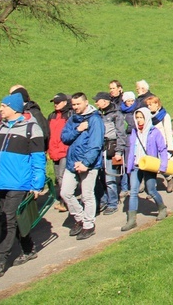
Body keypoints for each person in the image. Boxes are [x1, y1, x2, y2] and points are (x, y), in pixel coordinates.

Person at [0, 94, 46, 279]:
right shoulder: (2, 129)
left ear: (14, 108)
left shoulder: (31, 128)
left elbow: (38, 158)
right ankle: (28, 248)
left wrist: (37, 185)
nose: (0, 109)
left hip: (19, 183)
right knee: (11, 219)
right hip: (0, 182)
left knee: (8, 220)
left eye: (3, 105)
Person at [60, 92, 104, 241]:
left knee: (87, 195)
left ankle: (88, 225)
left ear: (85, 103)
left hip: (89, 165)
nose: (76, 107)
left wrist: (86, 163)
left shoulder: (95, 119)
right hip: (72, 162)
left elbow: (96, 144)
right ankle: (80, 217)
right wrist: (78, 129)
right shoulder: (73, 119)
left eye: (78, 104)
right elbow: (64, 138)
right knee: (65, 192)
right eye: (74, 104)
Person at [120, 108, 168, 231]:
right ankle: (132, 220)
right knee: (133, 191)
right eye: (137, 118)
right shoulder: (134, 132)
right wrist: (129, 166)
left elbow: (162, 149)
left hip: (149, 165)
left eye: (141, 117)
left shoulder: (155, 132)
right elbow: (131, 150)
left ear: (146, 118)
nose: (139, 120)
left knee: (151, 190)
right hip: (136, 165)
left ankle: (162, 208)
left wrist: (163, 166)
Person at [94, 92, 127, 215]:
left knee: (110, 178)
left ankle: (113, 203)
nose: (96, 103)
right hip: (99, 149)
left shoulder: (116, 114)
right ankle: (103, 200)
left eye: (98, 100)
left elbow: (121, 134)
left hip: (111, 149)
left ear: (105, 102)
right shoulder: (97, 114)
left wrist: (119, 151)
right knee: (99, 177)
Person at [145, 96, 173, 193]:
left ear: (157, 104)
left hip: (162, 146)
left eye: (151, 104)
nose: (149, 107)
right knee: (151, 167)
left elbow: (168, 132)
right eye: (148, 105)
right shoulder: (147, 116)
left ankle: (169, 178)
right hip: (150, 145)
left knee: (162, 165)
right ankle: (152, 190)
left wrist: (170, 148)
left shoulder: (164, 116)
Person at [46, 94, 71, 212]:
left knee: (62, 177)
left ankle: (65, 202)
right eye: (54, 102)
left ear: (65, 102)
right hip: (54, 151)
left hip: (65, 150)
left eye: (58, 102)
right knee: (57, 178)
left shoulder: (70, 115)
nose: (56, 104)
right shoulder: (51, 116)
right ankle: (63, 199)